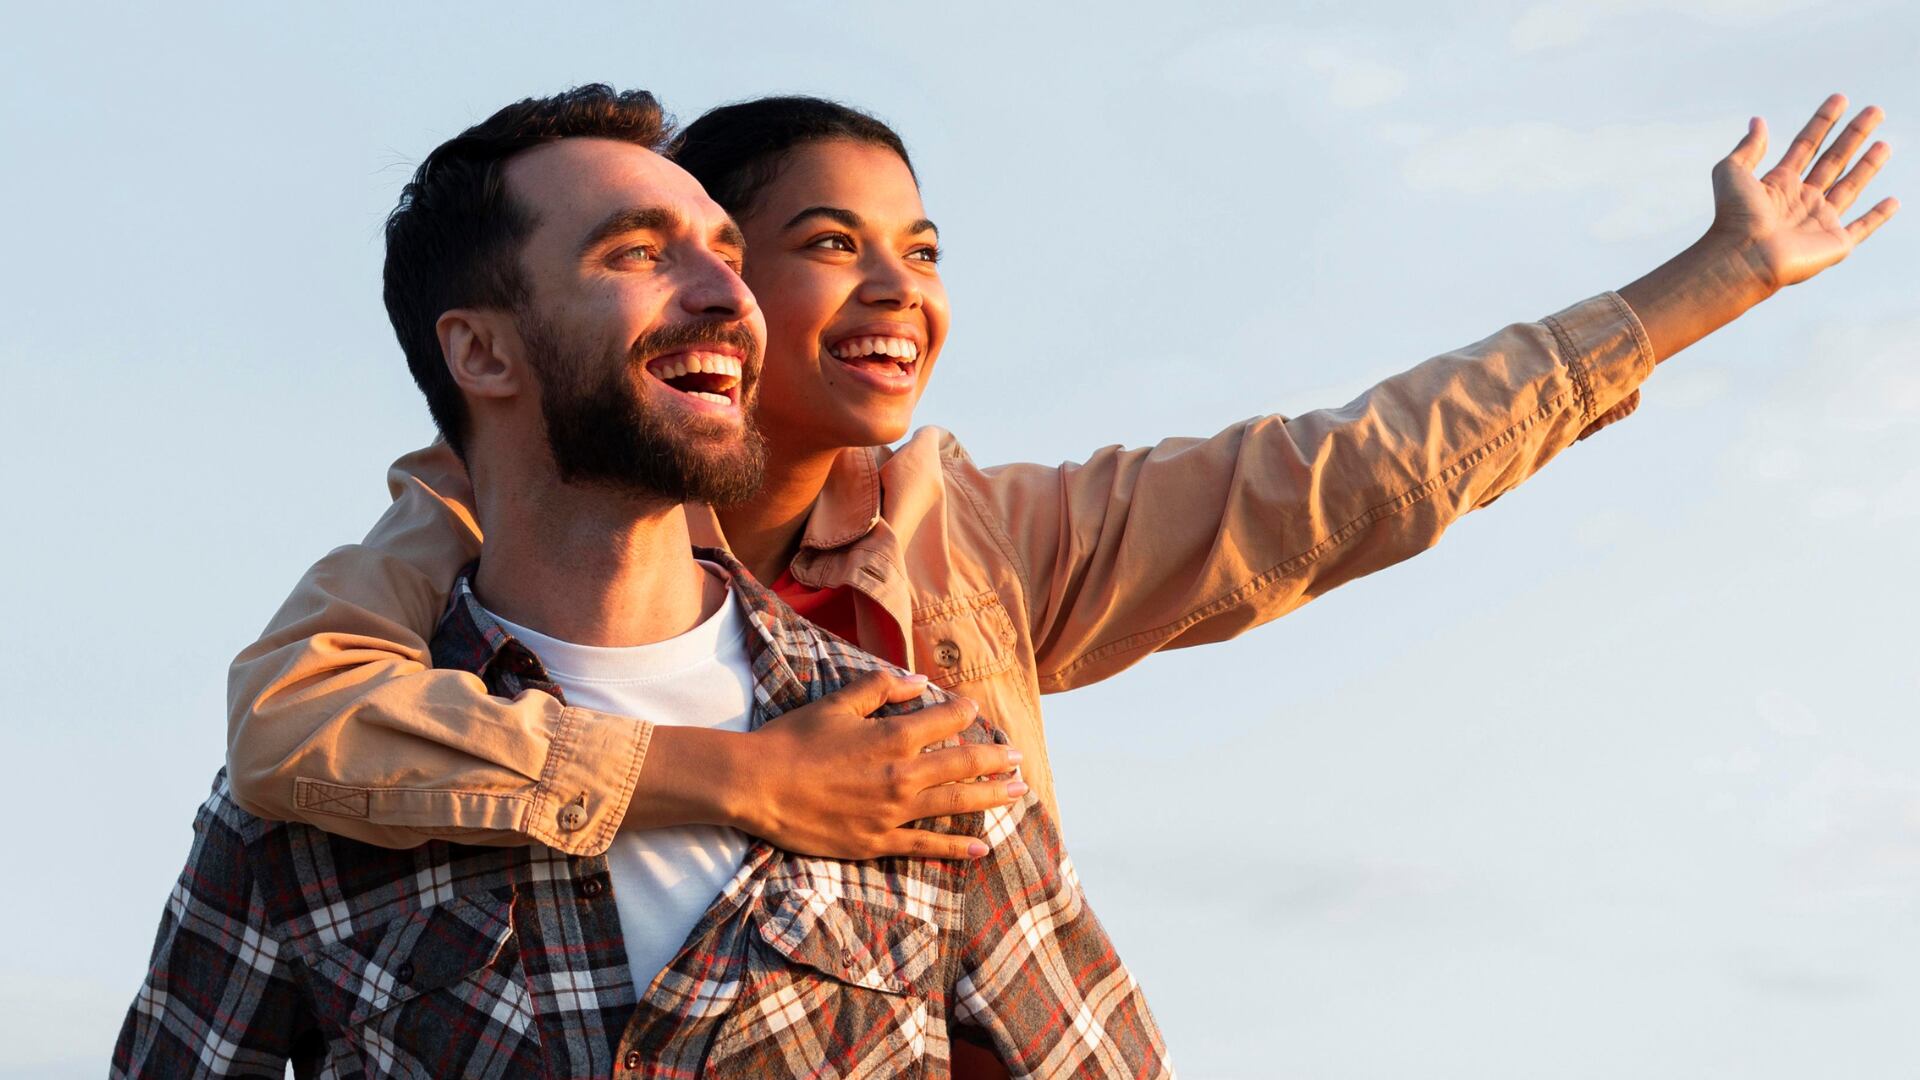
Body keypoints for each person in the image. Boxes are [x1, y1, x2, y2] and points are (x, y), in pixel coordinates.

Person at [222, 89, 1897, 868]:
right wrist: (739, 782)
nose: (899, 292)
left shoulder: (985, 553)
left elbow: (1352, 475)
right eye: (826, 245)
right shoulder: (469, 544)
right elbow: (290, 725)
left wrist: (1711, 284)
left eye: (923, 249)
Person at [114, 86, 1171, 1078]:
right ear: (482, 353)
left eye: (724, 251)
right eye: (635, 255)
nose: (728, 293)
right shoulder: (305, 798)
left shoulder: (918, 752)